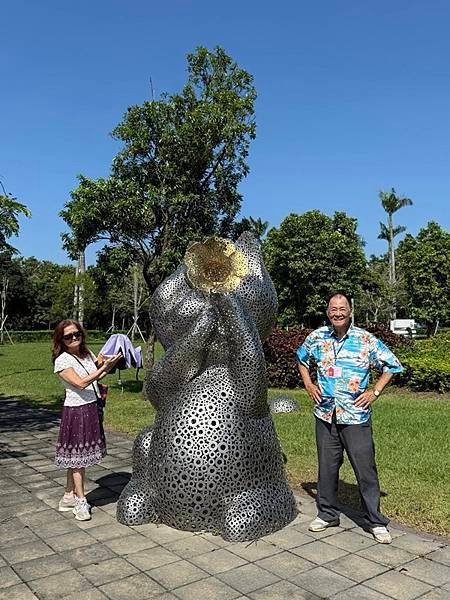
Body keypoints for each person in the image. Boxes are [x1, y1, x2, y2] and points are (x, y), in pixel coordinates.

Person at [297, 293, 403, 544]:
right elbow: (301, 359)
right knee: (327, 467)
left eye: (342, 308)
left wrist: (374, 392)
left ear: (350, 310)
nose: (337, 312)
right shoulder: (317, 337)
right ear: (327, 312)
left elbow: (392, 365)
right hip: (325, 414)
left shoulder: (365, 340)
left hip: (355, 416)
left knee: (365, 470)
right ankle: (327, 514)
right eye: (333, 308)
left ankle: (375, 521)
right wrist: (309, 385)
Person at [52, 320, 120, 521]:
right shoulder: (62, 361)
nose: (74, 338)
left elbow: (96, 376)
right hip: (76, 411)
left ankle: (68, 496)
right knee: (78, 457)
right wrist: (102, 368)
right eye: (68, 336)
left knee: (77, 456)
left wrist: (111, 363)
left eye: (77, 334)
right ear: (61, 340)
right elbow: (81, 383)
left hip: (91, 407)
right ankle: (81, 502)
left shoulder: (86, 353)